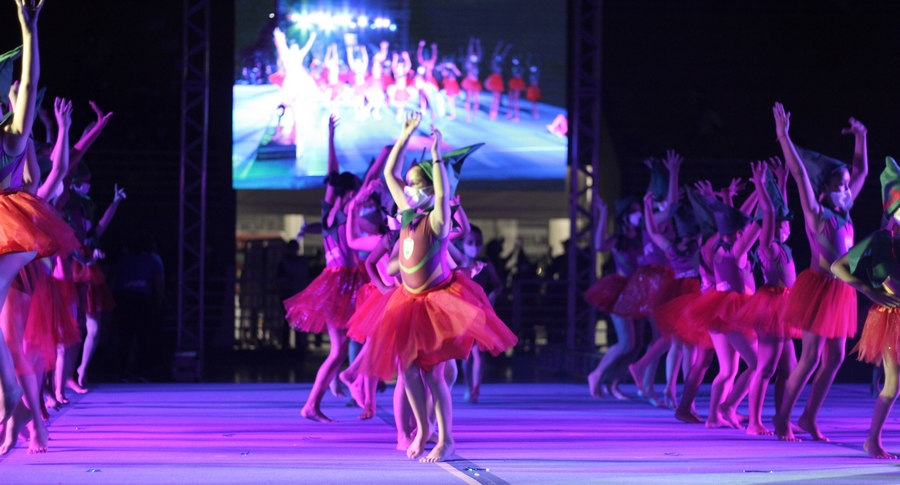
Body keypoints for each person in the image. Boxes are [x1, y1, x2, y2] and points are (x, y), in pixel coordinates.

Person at [347, 113, 516, 462]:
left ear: (428, 191)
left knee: (436, 374)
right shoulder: (407, 219)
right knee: (407, 369)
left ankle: (446, 440)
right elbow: (389, 175)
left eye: (416, 186)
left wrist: (437, 156)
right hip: (407, 301)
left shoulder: (437, 222)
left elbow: (442, 194)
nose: (408, 190)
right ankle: (422, 429)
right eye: (407, 186)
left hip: (438, 303)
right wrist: (405, 135)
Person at [771, 103, 868, 442]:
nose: (847, 188)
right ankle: (782, 417)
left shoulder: (845, 210)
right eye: (840, 184)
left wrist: (861, 137)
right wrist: (784, 136)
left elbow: (862, 172)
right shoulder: (818, 214)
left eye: (846, 184)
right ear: (825, 189)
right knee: (811, 356)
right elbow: (799, 174)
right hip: (818, 289)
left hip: (841, 291)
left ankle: (808, 417)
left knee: (837, 356)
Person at [283, 115, 366, 422]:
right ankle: (318, 399)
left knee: (341, 348)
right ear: (348, 193)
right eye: (355, 192)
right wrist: (331, 138)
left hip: (339, 283)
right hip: (339, 284)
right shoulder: (339, 213)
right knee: (340, 349)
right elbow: (334, 176)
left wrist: (331, 137)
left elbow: (334, 177)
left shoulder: (336, 212)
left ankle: (324, 396)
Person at [832, 156, 900, 458]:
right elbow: (838, 266)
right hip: (891, 317)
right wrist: (868, 291)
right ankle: (872, 439)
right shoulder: (881, 240)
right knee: (892, 383)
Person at [730, 159, 798, 435]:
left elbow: (779, 209)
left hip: (787, 306)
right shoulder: (768, 248)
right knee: (766, 367)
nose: (784, 226)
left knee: (790, 369)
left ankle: (782, 417)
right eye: (779, 224)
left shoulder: (785, 246)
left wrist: (781, 181)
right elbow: (770, 212)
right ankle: (755, 421)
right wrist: (760, 186)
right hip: (772, 307)